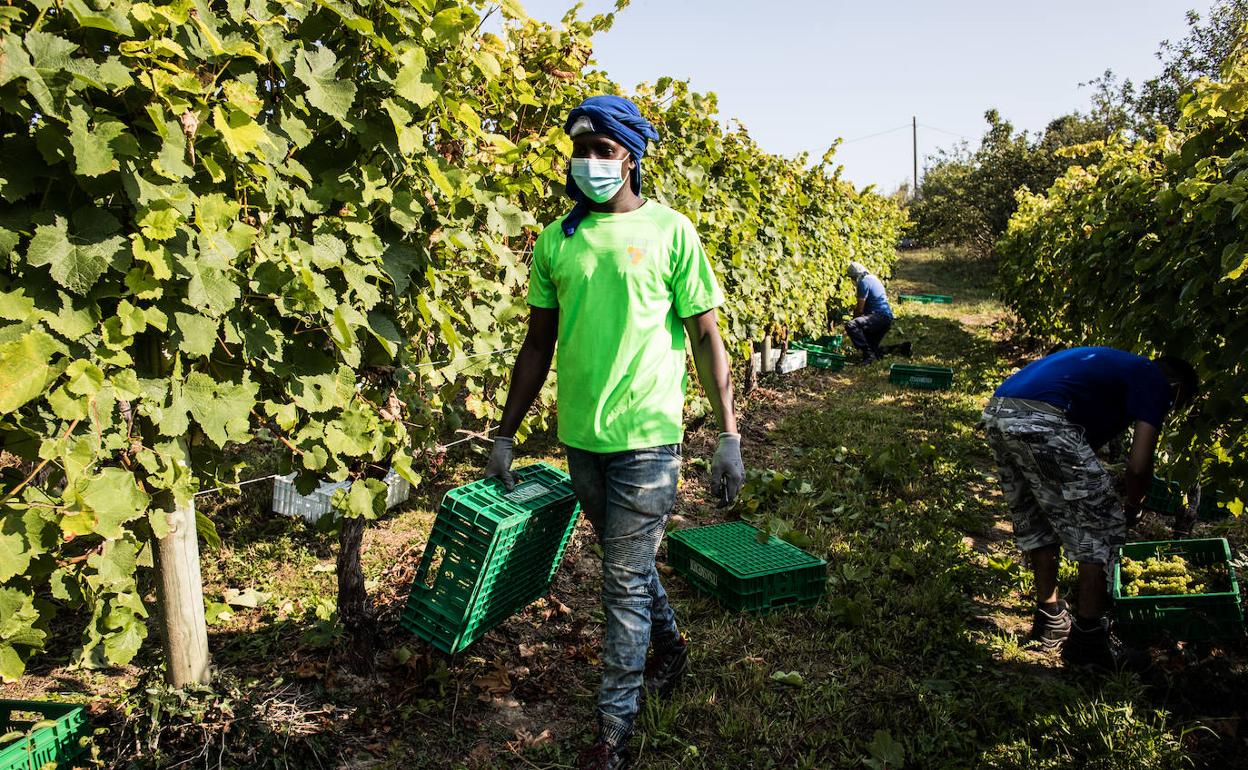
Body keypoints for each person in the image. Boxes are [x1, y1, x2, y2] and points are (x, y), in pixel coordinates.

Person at [484, 95, 745, 770]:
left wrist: (728, 435)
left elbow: (707, 335)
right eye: (580, 150)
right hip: (582, 442)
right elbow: (537, 346)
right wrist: (505, 433)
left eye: (601, 150)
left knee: (620, 586)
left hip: (649, 442)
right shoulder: (557, 239)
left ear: (629, 155)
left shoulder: (669, 231)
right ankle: (673, 649)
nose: (588, 163)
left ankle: (613, 734)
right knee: (628, 570)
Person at [980, 347, 1198, 671]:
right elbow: (1138, 468)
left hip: (1000, 411)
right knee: (1103, 522)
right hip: (1041, 419)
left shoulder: (1118, 373)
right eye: (1177, 407)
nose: (1169, 412)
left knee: (1037, 516)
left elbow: (1074, 460)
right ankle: (1089, 640)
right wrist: (1134, 505)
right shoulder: (1155, 380)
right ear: (1177, 389)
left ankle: (1050, 618)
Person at [844, 262, 894, 364]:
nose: (852, 280)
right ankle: (901, 348)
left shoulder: (863, 282)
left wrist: (852, 325)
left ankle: (868, 355)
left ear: (856, 276)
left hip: (878, 317)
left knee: (851, 325)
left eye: (852, 278)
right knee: (872, 348)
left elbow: (860, 309)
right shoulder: (873, 279)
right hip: (886, 319)